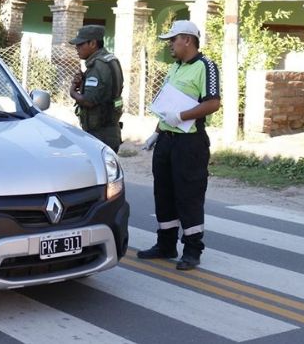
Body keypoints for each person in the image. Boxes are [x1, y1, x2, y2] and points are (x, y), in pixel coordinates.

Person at [137, 20, 221, 270]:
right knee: (163, 193)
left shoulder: (206, 66)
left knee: (189, 196)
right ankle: (166, 244)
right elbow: (167, 107)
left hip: (189, 143)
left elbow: (214, 102)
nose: (170, 45)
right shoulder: (175, 67)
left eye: (173, 40)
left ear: (187, 39)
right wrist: (157, 131)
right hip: (166, 140)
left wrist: (182, 116)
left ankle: (193, 250)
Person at [69, 24, 124, 151]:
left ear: (93, 43)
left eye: (80, 44)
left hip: (99, 134)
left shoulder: (97, 66)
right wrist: (83, 81)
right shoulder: (110, 59)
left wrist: (72, 91)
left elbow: (88, 100)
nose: (77, 48)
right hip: (111, 130)